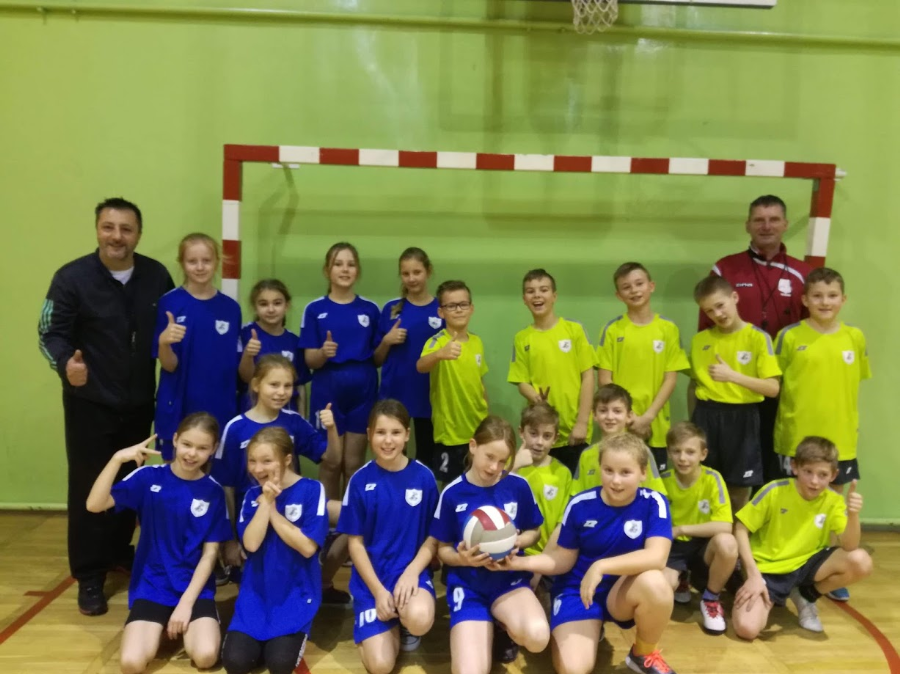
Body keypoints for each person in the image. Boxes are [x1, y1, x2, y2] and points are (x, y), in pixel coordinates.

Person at [38, 197, 174, 616]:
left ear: (138, 234)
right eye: (109, 227)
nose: (117, 236)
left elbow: (176, 328)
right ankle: (89, 574)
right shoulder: (71, 278)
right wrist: (66, 364)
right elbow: (49, 333)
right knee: (89, 487)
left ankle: (118, 552)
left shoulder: (157, 276)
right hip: (90, 404)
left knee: (130, 485)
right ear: (97, 229)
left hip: (139, 403)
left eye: (126, 229)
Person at [502, 432, 677, 674]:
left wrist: (601, 566)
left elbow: (657, 557)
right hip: (579, 590)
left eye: (625, 472)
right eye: (608, 470)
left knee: (656, 582)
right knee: (573, 669)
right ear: (600, 469)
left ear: (643, 473)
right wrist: (517, 563)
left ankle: (642, 654)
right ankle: (583, 624)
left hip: (623, 590)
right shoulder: (580, 505)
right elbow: (562, 560)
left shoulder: (654, 503)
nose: (615, 480)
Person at [85, 413, 231, 674]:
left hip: (194, 587)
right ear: (175, 440)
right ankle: (159, 624)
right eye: (186, 444)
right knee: (131, 664)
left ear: (213, 449)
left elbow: (210, 555)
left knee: (206, 656)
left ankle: (178, 621)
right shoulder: (148, 477)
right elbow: (94, 505)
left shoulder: (213, 491)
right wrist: (117, 459)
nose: (192, 453)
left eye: (202, 448)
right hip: (152, 584)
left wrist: (186, 604)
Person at [214, 354, 347, 604]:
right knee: (263, 595)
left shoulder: (293, 421)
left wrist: (331, 429)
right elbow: (226, 488)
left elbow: (331, 460)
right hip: (254, 512)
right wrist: (229, 540)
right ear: (256, 385)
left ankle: (324, 581)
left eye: (287, 385)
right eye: (274, 384)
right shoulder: (236, 428)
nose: (281, 392)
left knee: (356, 514)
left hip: (295, 504)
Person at [701, 195, 812, 484]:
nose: (766, 226)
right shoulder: (726, 268)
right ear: (747, 225)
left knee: (775, 455)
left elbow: (810, 327)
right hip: (734, 388)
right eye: (759, 220)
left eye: (774, 219)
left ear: (785, 224)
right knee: (732, 467)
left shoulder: (803, 273)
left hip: (781, 383)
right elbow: (706, 327)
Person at [430, 416, 550, 673]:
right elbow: (442, 549)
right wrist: (461, 559)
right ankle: (482, 626)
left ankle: (502, 624)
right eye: (490, 457)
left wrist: (519, 540)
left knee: (538, 637)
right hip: (469, 586)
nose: (495, 467)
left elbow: (535, 531)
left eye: (503, 461)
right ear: (473, 446)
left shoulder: (517, 486)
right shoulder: (453, 493)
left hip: (508, 580)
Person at [731, 436, 872, 640]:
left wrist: (853, 515)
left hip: (807, 565)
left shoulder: (834, 501)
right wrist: (753, 575)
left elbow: (850, 546)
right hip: (768, 569)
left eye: (822, 475)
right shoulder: (774, 491)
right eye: (808, 472)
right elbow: (740, 528)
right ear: (795, 467)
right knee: (747, 629)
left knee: (861, 561)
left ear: (833, 475)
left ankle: (806, 595)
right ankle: (757, 591)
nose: (814, 481)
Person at [337, 400, 440, 673]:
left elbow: (433, 538)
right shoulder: (360, 481)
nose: (388, 440)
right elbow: (355, 544)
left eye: (396, 432)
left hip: (410, 574)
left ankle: (405, 621)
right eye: (381, 432)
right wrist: (379, 592)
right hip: (373, 581)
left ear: (407, 435)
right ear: (369, 434)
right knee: (381, 666)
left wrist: (412, 573)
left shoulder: (424, 478)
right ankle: (378, 617)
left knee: (419, 619)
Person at [221, 427, 328, 674]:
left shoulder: (312, 490)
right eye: (252, 461)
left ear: (287, 460)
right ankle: (261, 645)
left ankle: (277, 647)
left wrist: (271, 510)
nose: (257, 469)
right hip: (256, 597)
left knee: (280, 664)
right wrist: (266, 501)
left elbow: (307, 547)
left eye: (266, 461)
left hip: (295, 596)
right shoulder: (251, 496)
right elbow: (251, 544)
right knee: (235, 663)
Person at [690, 275, 781, 513]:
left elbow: (773, 388)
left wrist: (733, 376)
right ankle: (711, 533)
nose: (718, 314)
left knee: (739, 487)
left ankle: (737, 533)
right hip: (706, 415)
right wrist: (693, 424)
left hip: (742, 417)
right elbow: (693, 384)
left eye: (720, 305)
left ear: (735, 297)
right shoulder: (700, 341)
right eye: (709, 311)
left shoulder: (758, 338)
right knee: (704, 481)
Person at [299, 242, 380, 499]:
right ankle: (328, 517)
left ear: (358, 271)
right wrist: (323, 353)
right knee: (331, 462)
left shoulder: (370, 309)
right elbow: (310, 360)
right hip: (328, 389)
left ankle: (351, 517)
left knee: (354, 464)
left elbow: (378, 357)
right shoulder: (315, 310)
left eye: (351, 264)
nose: (345, 269)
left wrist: (388, 342)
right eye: (338, 264)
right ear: (327, 270)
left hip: (363, 389)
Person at [154, 233, 242, 461]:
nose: (200, 267)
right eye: (192, 261)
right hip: (179, 406)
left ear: (217, 262)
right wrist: (164, 343)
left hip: (219, 406)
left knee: (216, 474)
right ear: (182, 263)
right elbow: (169, 365)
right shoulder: (170, 303)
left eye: (206, 260)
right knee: (177, 470)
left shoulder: (231, 308)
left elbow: (235, 366)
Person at [598, 262, 690, 471]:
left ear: (651, 286)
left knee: (653, 483)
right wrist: (629, 416)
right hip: (621, 424)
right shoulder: (612, 330)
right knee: (619, 480)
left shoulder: (668, 329)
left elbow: (670, 379)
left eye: (639, 284)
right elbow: (604, 380)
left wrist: (647, 417)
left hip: (655, 425)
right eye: (626, 287)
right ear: (619, 295)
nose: (634, 290)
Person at [507, 269, 596, 475]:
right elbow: (521, 381)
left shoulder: (574, 330)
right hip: (540, 434)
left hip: (574, 433)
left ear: (554, 296)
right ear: (524, 299)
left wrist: (582, 422)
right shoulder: (522, 338)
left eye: (543, 290)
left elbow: (588, 376)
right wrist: (536, 398)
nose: (537, 295)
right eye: (530, 291)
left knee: (573, 486)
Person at [660, 422, 737, 635]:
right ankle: (680, 579)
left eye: (690, 452)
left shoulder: (713, 479)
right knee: (662, 589)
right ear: (669, 453)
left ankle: (711, 598)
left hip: (703, 546)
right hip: (673, 548)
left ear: (703, 454)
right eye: (677, 451)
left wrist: (681, 529)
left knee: (727, 543)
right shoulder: (662, 481)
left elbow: (725, 525)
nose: (683, 458)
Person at [374, 248, 443, 472]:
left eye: (417, 272)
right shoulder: (391, 310)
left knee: (426, 459)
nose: (411, 278)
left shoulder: (441, 310)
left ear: (428, 271)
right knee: (392, 455)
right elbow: (376, 360)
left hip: (428, 396)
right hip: (395, 394)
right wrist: (387, 341)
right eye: (406, 273)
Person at [417, 280, 489, 485]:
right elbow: (421, 366)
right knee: (452, 488)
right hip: (450, 433)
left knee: (480, 484)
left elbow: (480, 382)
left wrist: (487, 418)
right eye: (451, 306)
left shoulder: (477, 342)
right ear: (441, 312)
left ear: (471, 308)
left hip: (477, 431)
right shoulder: (437, 341)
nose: (458, 310)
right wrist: (439, 354)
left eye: (463, 304)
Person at [571, 385, 667, 498]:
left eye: (617, 411)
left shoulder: (642, 452)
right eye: (603, 410)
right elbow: (576, 496)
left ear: (629, 416)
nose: (610, 416)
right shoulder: (586, 455)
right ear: (594, 415)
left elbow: (657, 495)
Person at [237, 279, 309, 414]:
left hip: (287, 414)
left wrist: (302, 418)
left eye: (277, 303)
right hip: (252, 411)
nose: (271, 309)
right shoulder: (244, 335)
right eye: (263, 304)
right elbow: (246, 378)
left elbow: (299, 385)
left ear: (286, 305)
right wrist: (248, 355)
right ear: (254, 307)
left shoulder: (294, 341)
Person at [511, 401, 572, 562]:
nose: (539, 442)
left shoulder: (562, 473)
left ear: (555, 438)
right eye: (533, 433)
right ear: (521, 432)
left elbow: (562, 523)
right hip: (511, 551)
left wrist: (545, 559)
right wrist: (514, 467)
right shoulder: (508, 464)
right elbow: (493, 499)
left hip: (547, 555)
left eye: (547, 436)